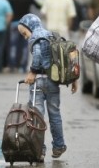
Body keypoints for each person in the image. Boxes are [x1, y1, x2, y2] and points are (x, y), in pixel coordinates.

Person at [19, 13, 77, 162]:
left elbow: (37, 53)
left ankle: (39, 151)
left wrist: (32, 72)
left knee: (37, 117)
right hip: (53, 82)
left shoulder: (35, 37)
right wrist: (73, 79)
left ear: (29, 27)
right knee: (55, 115)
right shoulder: (51, 35)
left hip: (38, 82)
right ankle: (59, 145)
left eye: (24, 33)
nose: (25, 37)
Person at [6, 0, 41, 73]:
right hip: (26, 24)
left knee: (13, 45)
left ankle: (12, 65)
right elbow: (38, 6)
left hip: (14, 23)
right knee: (25, 46)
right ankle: (23, 66)